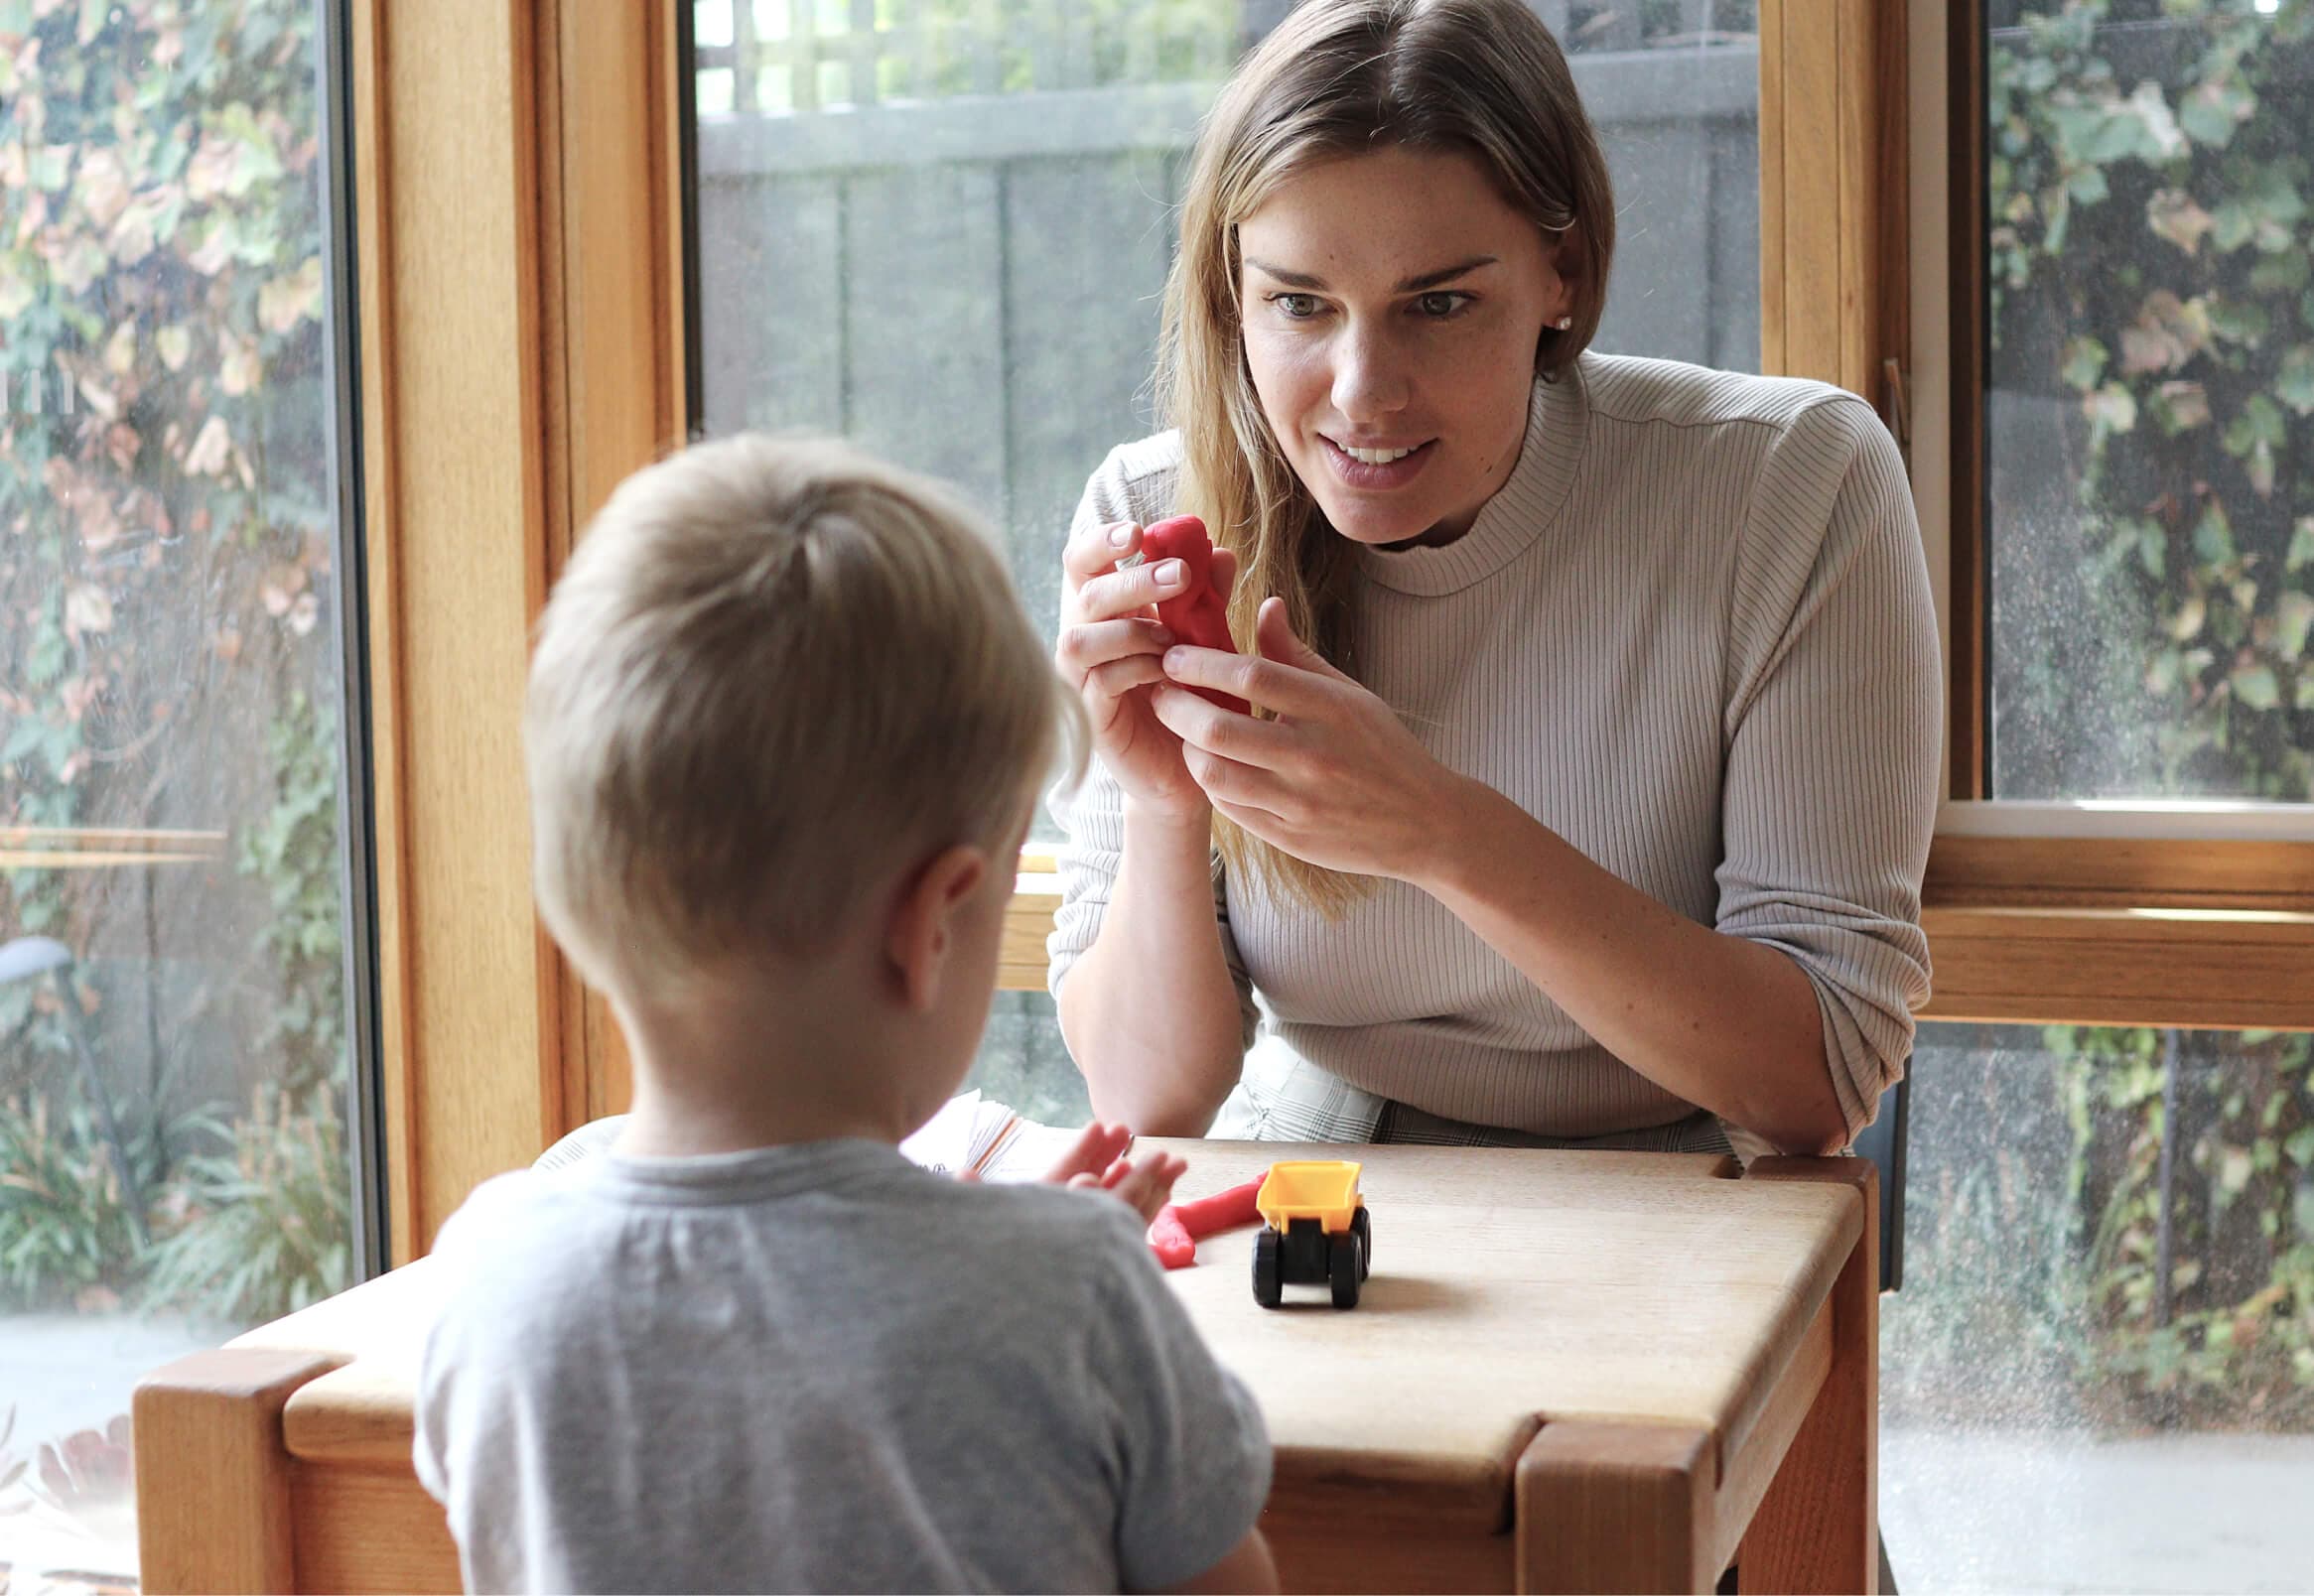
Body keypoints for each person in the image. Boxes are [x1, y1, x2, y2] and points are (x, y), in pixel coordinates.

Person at [1049, 0, 1940, 1161]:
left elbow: (1816, 1077)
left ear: (1559, 274)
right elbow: (1146, 1106)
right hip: (1319, 1176)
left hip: (1686, 1188)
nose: (1364, 390)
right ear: (1233, 299)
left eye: (1439, 304)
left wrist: (1442, 834)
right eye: (1300, 304)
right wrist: (1171, 806)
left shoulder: (1788, 485)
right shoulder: (1155, 517)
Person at [414, 435, 1278, 1595]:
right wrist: (1032, 1271)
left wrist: (996, 1251)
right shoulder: (1073, 1299)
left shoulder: (488, 1276)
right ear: (935, 921)